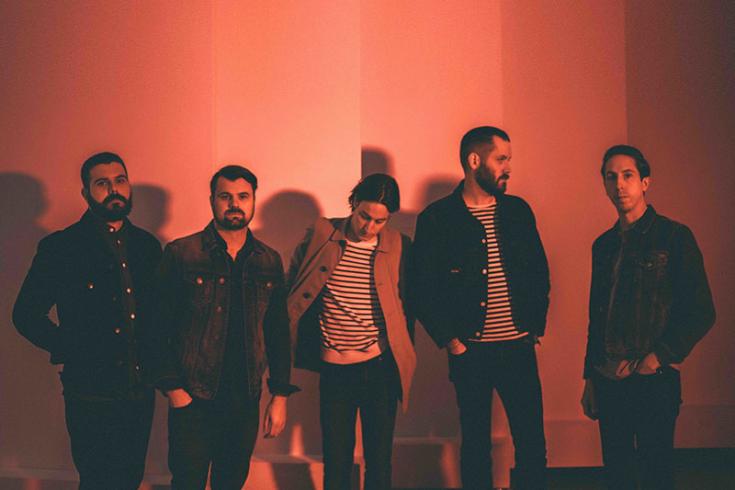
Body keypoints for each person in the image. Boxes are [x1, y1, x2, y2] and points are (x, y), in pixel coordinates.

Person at [13, 152, 161, 489]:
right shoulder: (61, 247)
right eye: (102, 183)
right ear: (86, 193)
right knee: (97, 480)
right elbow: (25, 315)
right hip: (90, 392)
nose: (114, 190)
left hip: (139, 389)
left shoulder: (148, 247)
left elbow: (159, 315)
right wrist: (71, 348)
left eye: (120, 180)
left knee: (130, 477)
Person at [412, 126, 550, 489]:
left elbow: (539, 272)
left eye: (508, 159)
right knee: (475, 444)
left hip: (518, 347)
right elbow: (422, 288)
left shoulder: (518, 211)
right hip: (470, 351)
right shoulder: (437, 218)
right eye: (501, 159)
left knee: (532, 442)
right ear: (475, 161)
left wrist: (534, 327)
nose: (508, 168)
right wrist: (452, 341)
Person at [149, 165, 297, 489]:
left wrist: (280, 395)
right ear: (212, 201)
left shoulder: (268, 260)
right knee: (187, 483)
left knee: (230, 482)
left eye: (243, 196)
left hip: (244, 400)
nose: (234, 204)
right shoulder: (182, 253)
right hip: (193, 397)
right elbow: (156, 328)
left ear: (253, 200)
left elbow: (277, 332)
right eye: (225, 196)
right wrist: (174, 390)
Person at [581, 145, 716, 490]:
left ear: (645, 182)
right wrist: (590, 378)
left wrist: (656, 358)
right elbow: (598, 315)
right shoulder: (603, 245)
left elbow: (701, 311)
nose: (619, 185)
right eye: (611, 177)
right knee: (618, 475)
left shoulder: (674, 237)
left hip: (653, 379)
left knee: (657, 474)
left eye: (627, 176)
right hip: (608, 377)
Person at [288, 173, 416, 490]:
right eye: (363, 216)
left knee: (379, 461)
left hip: (380, 365)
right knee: (336, 461)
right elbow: (294, 283)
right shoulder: (323, 233)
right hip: (335, 369)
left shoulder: (399, 245)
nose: (368, 227)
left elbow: (407, 303)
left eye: (379, 221)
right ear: (353, 204)